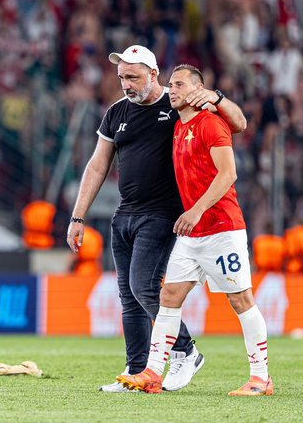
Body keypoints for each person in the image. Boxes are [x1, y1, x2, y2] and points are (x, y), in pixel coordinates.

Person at [66, 46, 246, 392]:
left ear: (154, 75)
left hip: (163, 213)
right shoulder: (116, 112)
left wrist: (217, 98)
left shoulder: (176, 103)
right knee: (129, 297)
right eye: (121, 78)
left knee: (142, 287)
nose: (126, 84)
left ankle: (186, 350)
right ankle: (136, 369)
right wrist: (77, 216)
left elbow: (238, 123)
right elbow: (98, 165)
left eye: (133, 77)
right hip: (126, 213)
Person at [117, 64, 272, 396]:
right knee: (168, 296)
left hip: (221, 228)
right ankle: (153, 373)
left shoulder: (211, 123)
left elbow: (228, 173)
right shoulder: (178, 126)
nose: (172, 90)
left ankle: (261, 378)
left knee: (241, 299)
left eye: (180, 84)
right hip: (192, 234)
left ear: (198, 90)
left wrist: (196, 210)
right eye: (170, 84)